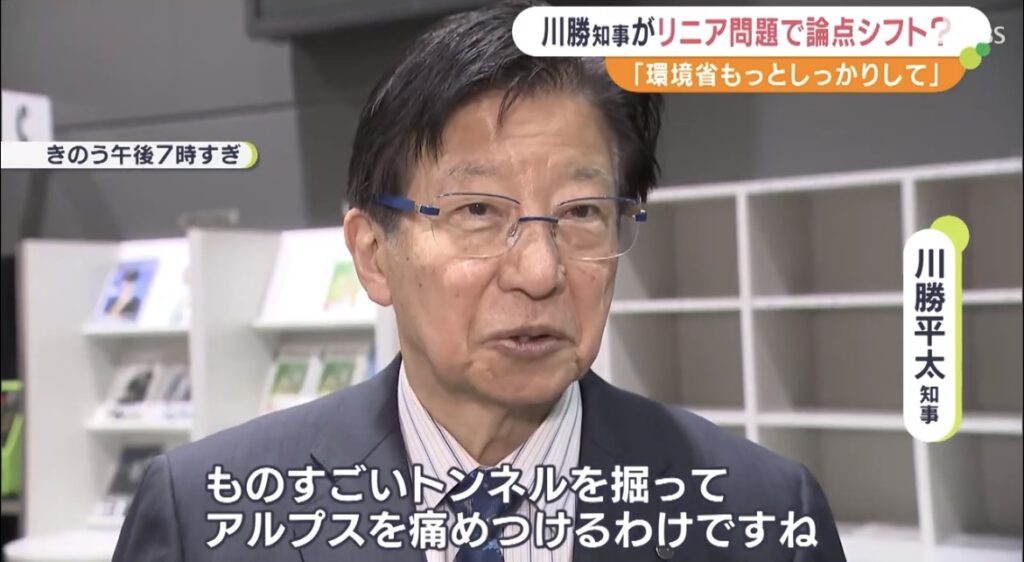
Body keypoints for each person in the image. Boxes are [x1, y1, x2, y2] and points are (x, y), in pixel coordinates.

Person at [113, 2, 846, 560]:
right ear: (373, 254)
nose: (540, 272)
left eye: (582, 213)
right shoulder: (202, 516)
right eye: (478, 211)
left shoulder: (765, 516)